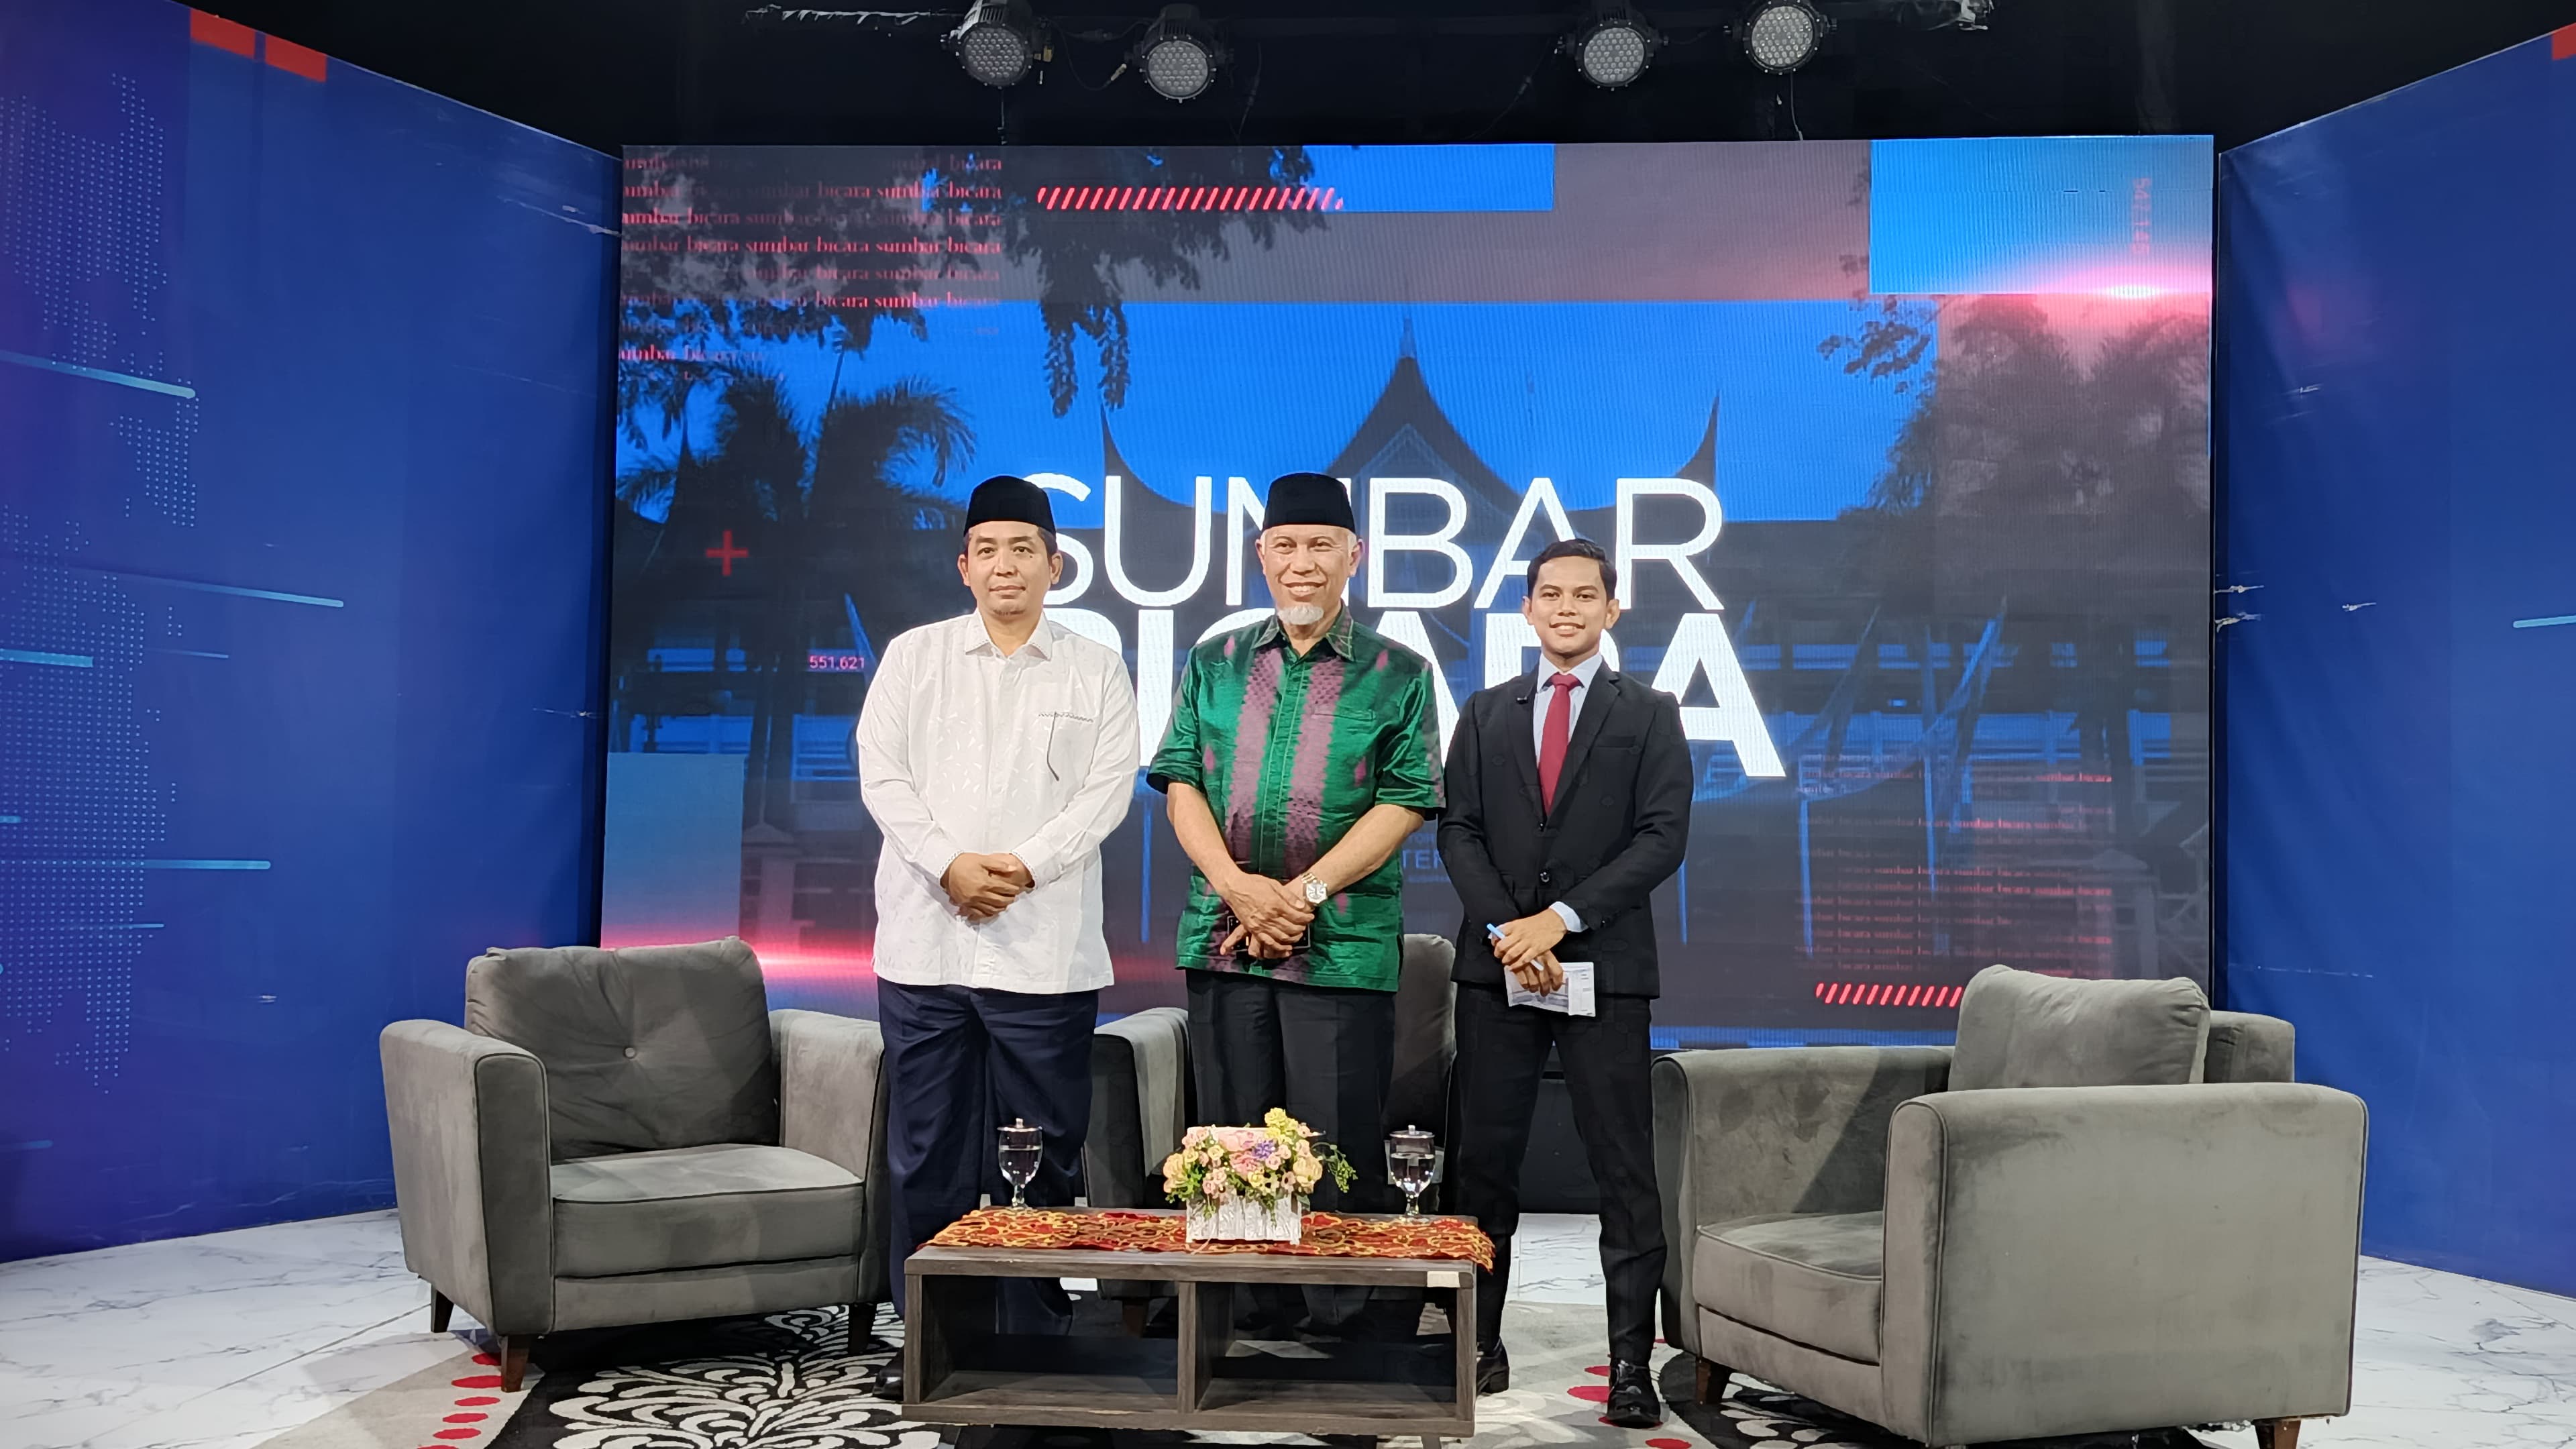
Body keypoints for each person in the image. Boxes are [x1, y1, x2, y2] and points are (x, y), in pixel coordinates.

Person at [855, 474, 1140, 1390]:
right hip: (925, 949)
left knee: (1043, 1156)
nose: (1005, 566)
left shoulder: (1095, 666)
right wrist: (950, 864)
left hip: (1043, 950)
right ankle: (932, 1339)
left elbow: (1108, 789)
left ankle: (1033, 1341)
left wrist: (1020, 867)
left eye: (1024, 550)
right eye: (988, 551)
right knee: (925, 1157)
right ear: (964, 567)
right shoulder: (915, 658)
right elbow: (882, 776)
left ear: (1056, 565)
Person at [1146, 471, 1443, 1329]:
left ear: (1355, 555)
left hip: (1342, 946)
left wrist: (1304, 894)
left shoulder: (1399, 672)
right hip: (1224, 935)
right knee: (1234, 1138)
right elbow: (1180, 781)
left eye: (1321, 546)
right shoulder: (1214, 661)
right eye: (1286, 546)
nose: (1302, 562)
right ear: (1261, 555)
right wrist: (1238, 889)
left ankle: (1346, 1325)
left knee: (1334, 1140)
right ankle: (1245, 1318)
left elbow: (1407, 799)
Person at [1436, 537, 1690, 1427]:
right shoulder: (1485, 712)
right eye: (1551, 594)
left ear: (1611, 610)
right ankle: (1478, 1343)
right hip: (1497, 972)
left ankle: (1630, 1364)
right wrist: (1512, 932)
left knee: (1623, 1169)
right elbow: (1458, 831)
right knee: (1483, 1165)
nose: (1567, 608)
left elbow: (1662, 838)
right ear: (1528, 609)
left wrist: (1562, 920)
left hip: (1604, 971)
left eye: (1586, 595)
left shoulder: (1649, 712)